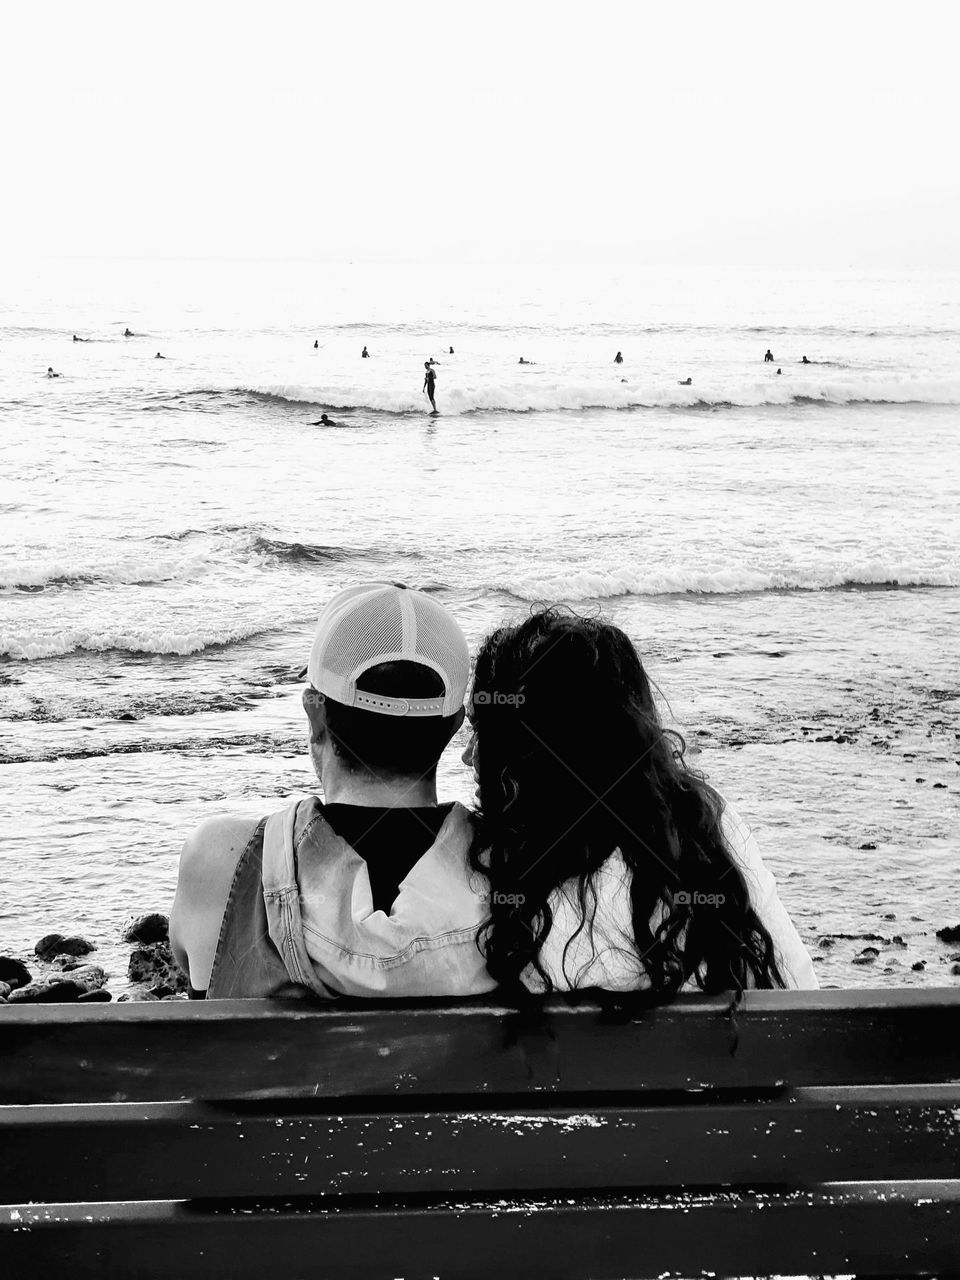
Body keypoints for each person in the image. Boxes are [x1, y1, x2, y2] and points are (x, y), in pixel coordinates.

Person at [462, 609, 818, 1000]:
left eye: (481, 732)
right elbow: (798, 986)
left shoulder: (486, 869)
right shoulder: (709, 839)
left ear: (527, 756)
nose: (469, 756)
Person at [170, 583, 494, 999]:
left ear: (314, 713)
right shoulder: (517, 871)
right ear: (453, 729)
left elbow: (192, 964)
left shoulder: (218, 856)